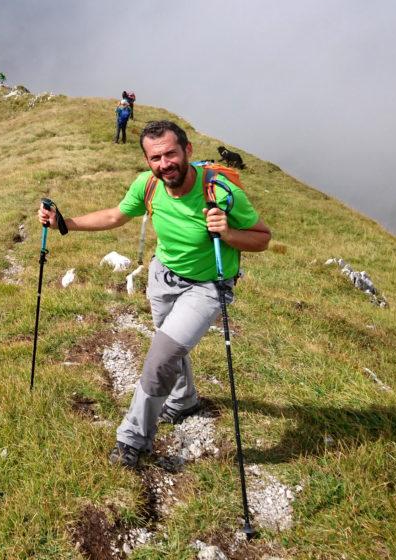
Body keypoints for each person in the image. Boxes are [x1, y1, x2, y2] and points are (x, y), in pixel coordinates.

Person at [38, 120, 271, 468]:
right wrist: (65, 223)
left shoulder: (220, 192)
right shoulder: (148, 186)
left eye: (171, 154)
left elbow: (263, 237)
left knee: (161, 357)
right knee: (171, 346)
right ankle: (184, 400)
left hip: (208, 286)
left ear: (188, 151)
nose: (165, 164)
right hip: (163, 277)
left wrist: (229, 234)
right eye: (155, 158)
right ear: (148, 161)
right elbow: (116, 215)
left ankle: (132, 440)